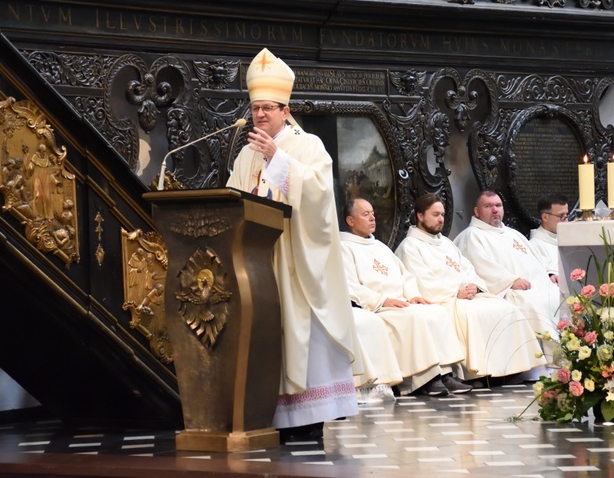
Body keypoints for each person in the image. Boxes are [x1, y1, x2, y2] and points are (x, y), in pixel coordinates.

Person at [226, 48, 363, 442]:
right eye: (255, 109)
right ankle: (271, 416)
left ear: (286, 111)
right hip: (260, 262)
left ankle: (310, 420)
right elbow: (235, 200)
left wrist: (279, 160)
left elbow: (320, 199)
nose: (260, 116)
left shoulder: (309, 146)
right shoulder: (247, 154)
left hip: (297, 262)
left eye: (269, 108)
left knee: (302, 333)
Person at [395, 194, 546, 379]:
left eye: (442, 214)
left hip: (466, 295)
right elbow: (420, 281)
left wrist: (474, 286)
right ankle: (480, 374)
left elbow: (468, 269)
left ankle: (511, 370)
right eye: (435, 215)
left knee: (505, 308)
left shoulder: (447, 243)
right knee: (472, 314)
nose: (441, 219)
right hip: (445, 300)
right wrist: (456, 291)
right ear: (420, 216)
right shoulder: (410, 246)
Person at [340, 198, 472, 396]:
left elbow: (405, 277)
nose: (372, 217)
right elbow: (348, 284)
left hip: (400, 302)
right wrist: (382, 300)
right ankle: (424, 379)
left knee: (435, 312)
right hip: (379, 306)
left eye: (373, 213)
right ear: (350, 221)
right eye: (365, 214)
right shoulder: (343, 247)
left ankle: (445, 373)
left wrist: (413, 295)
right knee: (414, 317)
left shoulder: (380, 247)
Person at [453, 191, 560, 358]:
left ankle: (575, 354)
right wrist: (510, 281)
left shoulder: (512, 233)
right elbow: (481, 267)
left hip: (538, 286)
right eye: (488, 206)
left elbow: (536, 259)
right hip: (510, 291)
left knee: (561, 296)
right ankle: (548, 360)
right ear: (476, 211)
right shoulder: (472, 236)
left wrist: (549, 274)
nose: (495, 210)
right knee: (531, 302)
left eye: (498, 205)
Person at [530, 194, 569, 283]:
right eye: (561, 216)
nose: (566, 220)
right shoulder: (534, 245)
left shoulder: (571, 240)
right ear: (545, 217)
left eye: (566, 215)